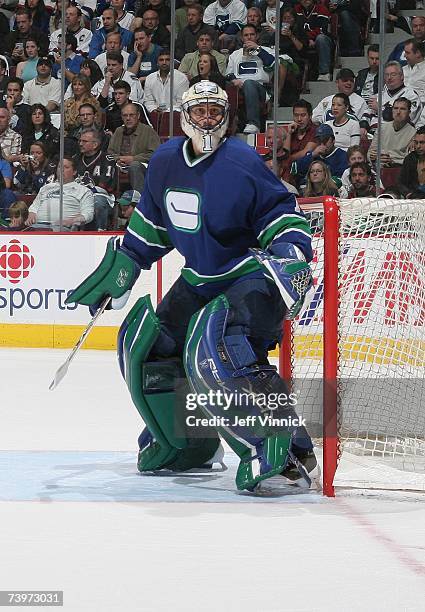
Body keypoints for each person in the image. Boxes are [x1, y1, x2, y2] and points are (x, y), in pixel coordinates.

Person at [65, 80, 318, 493]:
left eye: (214, 112)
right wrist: (126, 262)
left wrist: (291, 255)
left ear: (226, 117)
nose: (206, 119)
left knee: (220, 347)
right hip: (200, 278)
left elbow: (282, 216)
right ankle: (190, 444)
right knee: (148, 347)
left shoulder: (242, 161)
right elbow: (153, 225)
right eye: (199, 111)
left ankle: (291, 452)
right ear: (185, 115)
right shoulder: (165, 161)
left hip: (249, 274)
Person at [226, 24, 274, 134]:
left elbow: (273, 65)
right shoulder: (235, 54)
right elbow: (228, 74)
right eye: (246, 35)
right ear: (242, 38)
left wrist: (258, 50)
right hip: (239, 88)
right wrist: (234, 80)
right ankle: (228, 126)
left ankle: (254, 124)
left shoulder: (266, 51)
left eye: (252, 34)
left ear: (257, 36)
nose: (249, 37)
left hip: (260, 89)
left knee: (249, 83)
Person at [26, 157, 94, 231]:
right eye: (59, 167)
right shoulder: (46, 188)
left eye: (66, 167)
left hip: (62, 228)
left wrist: (72, 221)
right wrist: (31, 213)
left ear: (74, 172)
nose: (61, 170)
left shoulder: (83, 191)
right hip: (37, 226)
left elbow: (88, 214)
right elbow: (34, 206)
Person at [107, 102, 161, 191]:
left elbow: (156, 154)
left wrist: (133, 159)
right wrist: (118, 159)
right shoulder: (118, 131)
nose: (128, 118)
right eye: (125, 115)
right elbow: (110, 153)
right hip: (120, 166)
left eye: (131, 115)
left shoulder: (148, 131)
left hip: (142, 167)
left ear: (138, 115)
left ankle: (138, 199)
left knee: (134, 165)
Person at [75, 127, 117, 231]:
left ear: (95, 144)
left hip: (101, 196)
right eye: (80, 141)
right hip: (77, 196)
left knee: (97, 202)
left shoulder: (107, 159)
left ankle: (100, 232)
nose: (80, 144)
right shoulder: (75, 159)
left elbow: (105, 185)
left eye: (84, 141)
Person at [291, 123, 349, 187]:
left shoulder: (342, 155)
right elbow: (295, 170)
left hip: (330, 191)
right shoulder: (312, 154)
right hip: (308, 191)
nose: (322, 143)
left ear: (333, 140)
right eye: (319, 140)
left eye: (325, 140)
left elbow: (340, 180)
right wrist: (312, 155)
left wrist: (318, 183)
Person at [368, 97, 416, 168]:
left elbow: (410, 160)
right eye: (395, 108)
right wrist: (374, 158)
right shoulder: (382, 128)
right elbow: (370, 153)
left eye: (402, 109)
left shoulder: (413, 133)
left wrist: (391, 160)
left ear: (409, 112)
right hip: (377, 167)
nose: (398, 112)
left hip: (398, 169)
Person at [294, 0, 333, 81]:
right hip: (303, 40)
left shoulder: (321, 9)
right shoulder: (296, 9)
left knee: (321, 38)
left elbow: (322, 29)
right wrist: (308, 39)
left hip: (323, 40)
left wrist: (310, 38)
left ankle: (324, 72)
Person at [143, 49, 189, 113]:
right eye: (161, 60)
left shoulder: (181, 78)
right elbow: (148, 101)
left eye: (167, 60)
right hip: (155, 115)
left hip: (176, 115)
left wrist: (166, 112)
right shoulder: (150, 78)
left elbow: (182, 102)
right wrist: (154, 110)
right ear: (157, 62)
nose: (164, 62)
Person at [398, 125, 425, 196]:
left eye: (422, 143)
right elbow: (401, 183)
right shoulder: (410, 159)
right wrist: (408, 193)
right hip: (413, 198)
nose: (418, 146)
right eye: (416, 143)